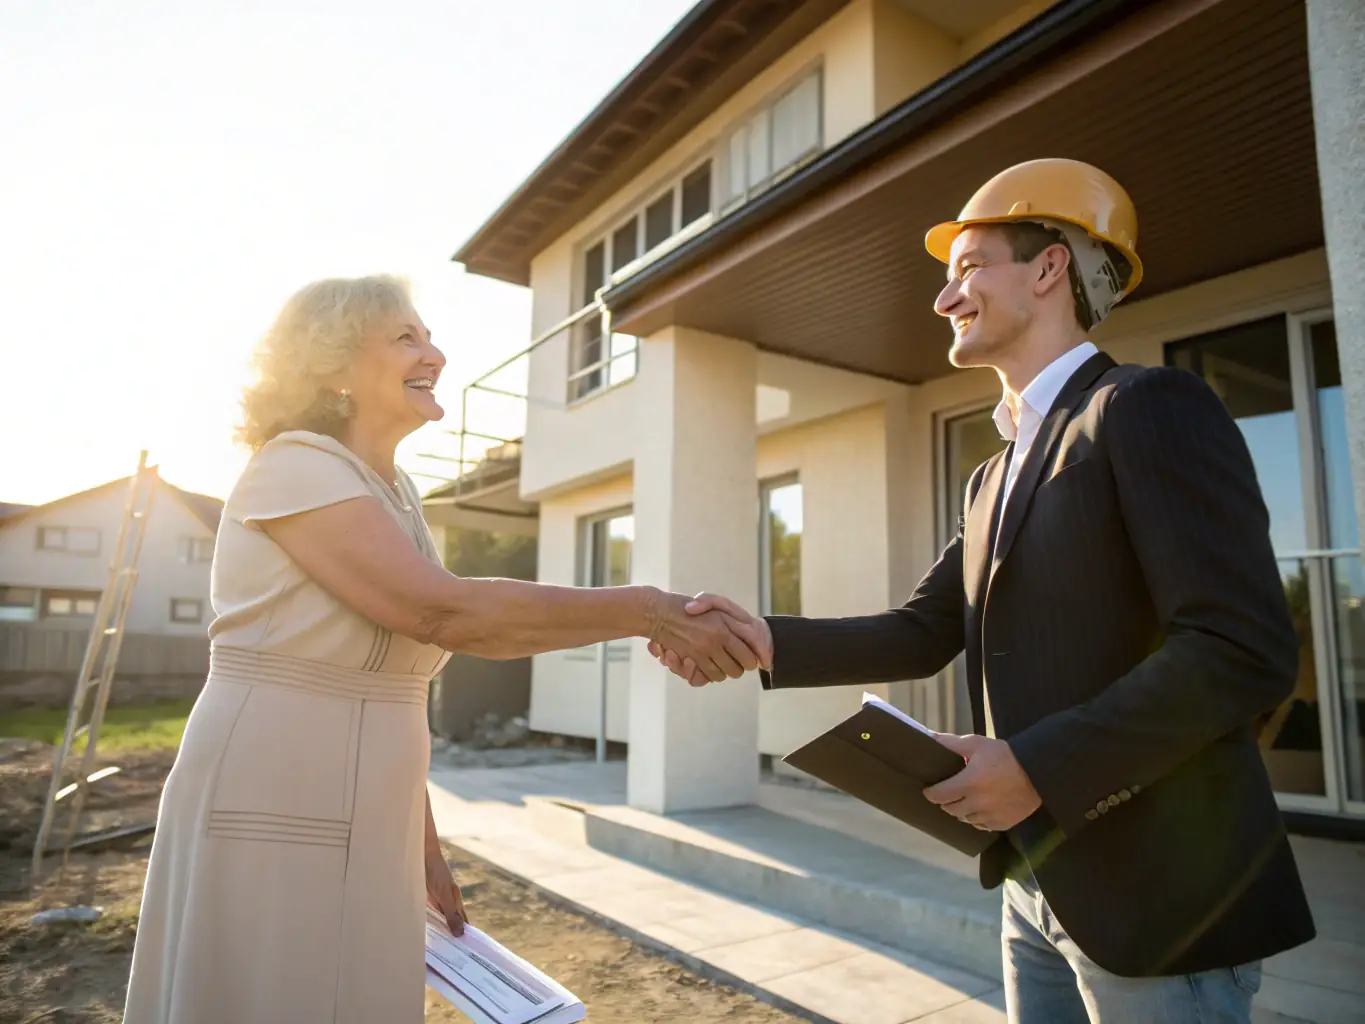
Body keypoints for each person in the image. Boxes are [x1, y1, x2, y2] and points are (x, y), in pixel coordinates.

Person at [650, 159, 1316, 1022]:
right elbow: (924, 629)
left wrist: (1038, 764)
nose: (943, 298)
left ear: (1049, 270)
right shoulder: (991, 475)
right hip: (1035, 885)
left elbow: (1240, 649)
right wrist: (758, 640)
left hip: (1163, 897)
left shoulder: (1145, 408)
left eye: (967, 269)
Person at [122, 275, 763, 1024]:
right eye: (405, 338)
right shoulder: (293, 465)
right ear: (330, 366)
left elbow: (382, 684)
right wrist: (649, 611)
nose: (436, 354)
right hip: (276, 792)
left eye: (427, 336)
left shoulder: (393, 492)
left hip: (370, 809)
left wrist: (419, 846)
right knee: (279, 990)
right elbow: (443, 612)